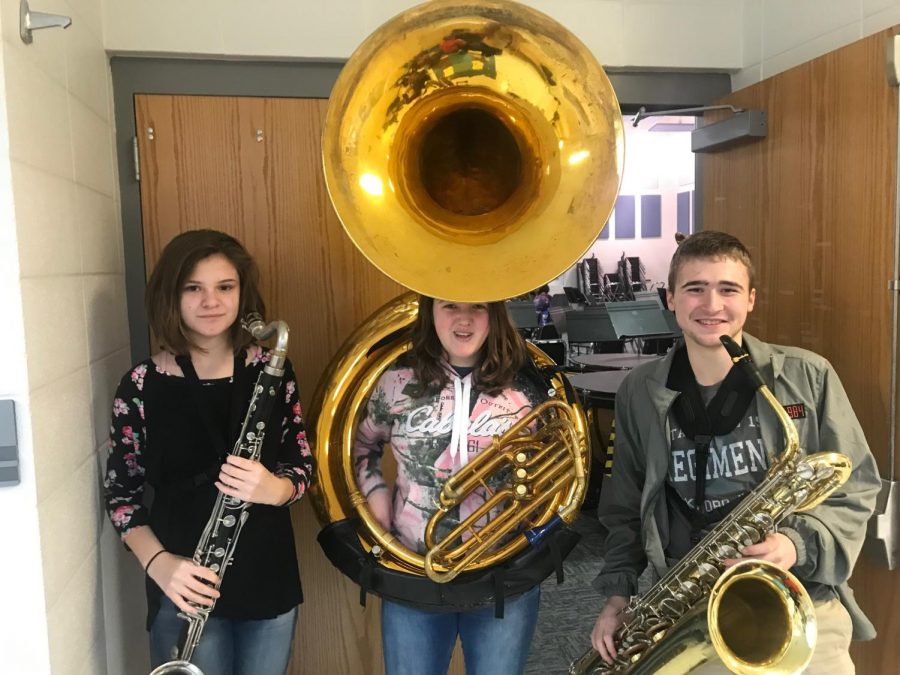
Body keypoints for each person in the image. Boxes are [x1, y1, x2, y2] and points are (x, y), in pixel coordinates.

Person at [590, 231, 880, 673]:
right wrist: (617, 598)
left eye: (728, 289)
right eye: (695, 289)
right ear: (670, 299)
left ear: (751, 300)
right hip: (689, 608)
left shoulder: (808, 375)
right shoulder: (639, 391)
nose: (712, 305)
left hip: (798, 597)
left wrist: (794, 543)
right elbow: (625, 505)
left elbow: (856, 487)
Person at [103, 229, 315, 675]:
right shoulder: (141, 384)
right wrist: (159, 566)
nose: (210, 301)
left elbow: (302, 467)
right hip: (182, 584)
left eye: (225, 287)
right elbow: (121, 497)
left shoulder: (272, 370)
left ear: (243, 294)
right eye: (193, 288)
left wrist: (275, 488)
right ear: (171, 296)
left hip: (267, 579)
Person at [353, 297, 550, 675]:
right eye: (449, 306)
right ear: (430, 312)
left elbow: (553, 462)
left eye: (478, 306)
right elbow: (362, 446)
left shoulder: (528, 386)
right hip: (412, 573)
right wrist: (376, 497)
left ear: (495, 314)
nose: (463, 319)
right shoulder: (395, 381)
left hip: (504, 575)